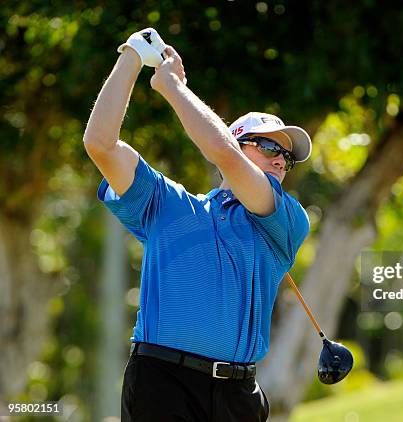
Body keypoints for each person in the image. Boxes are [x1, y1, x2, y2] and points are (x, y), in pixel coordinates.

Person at [83, 28, 311, 422]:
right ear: (239, 144)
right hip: (161, 383)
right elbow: (100, 144)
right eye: (270, 147)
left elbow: (222, 151)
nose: (280, 161)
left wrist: (170, 86)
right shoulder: (168, 204)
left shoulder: (286, 219)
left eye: (287, 158)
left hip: (237, 394)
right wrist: (133, 56)